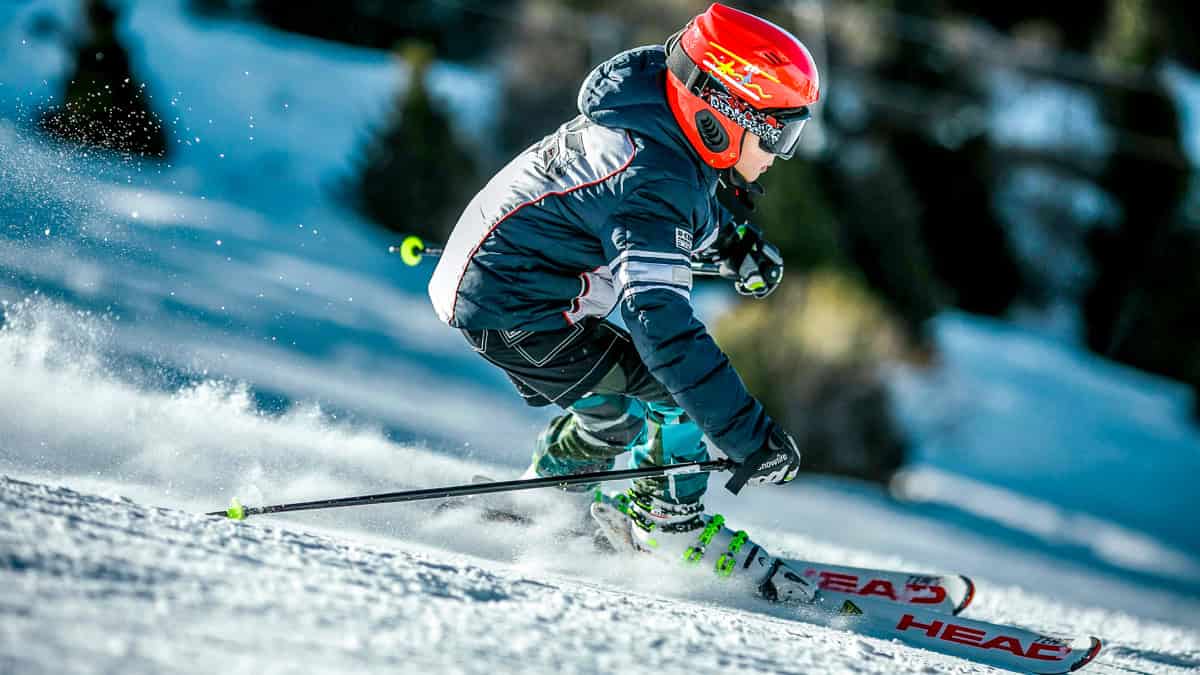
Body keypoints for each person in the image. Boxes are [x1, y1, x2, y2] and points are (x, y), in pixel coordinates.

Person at [428, 3, 820, 559]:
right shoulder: (652, 179)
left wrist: (732, 245)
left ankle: (548, 507)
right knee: (672, 398)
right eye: (779, 136)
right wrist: (747, 436)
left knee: (617, 412)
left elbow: (674, 207)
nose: (782, 155)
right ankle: (669, 526)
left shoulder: (657, 126)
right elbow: (659, 326)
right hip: (512, 306)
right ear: (727, 114)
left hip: (507, 287)